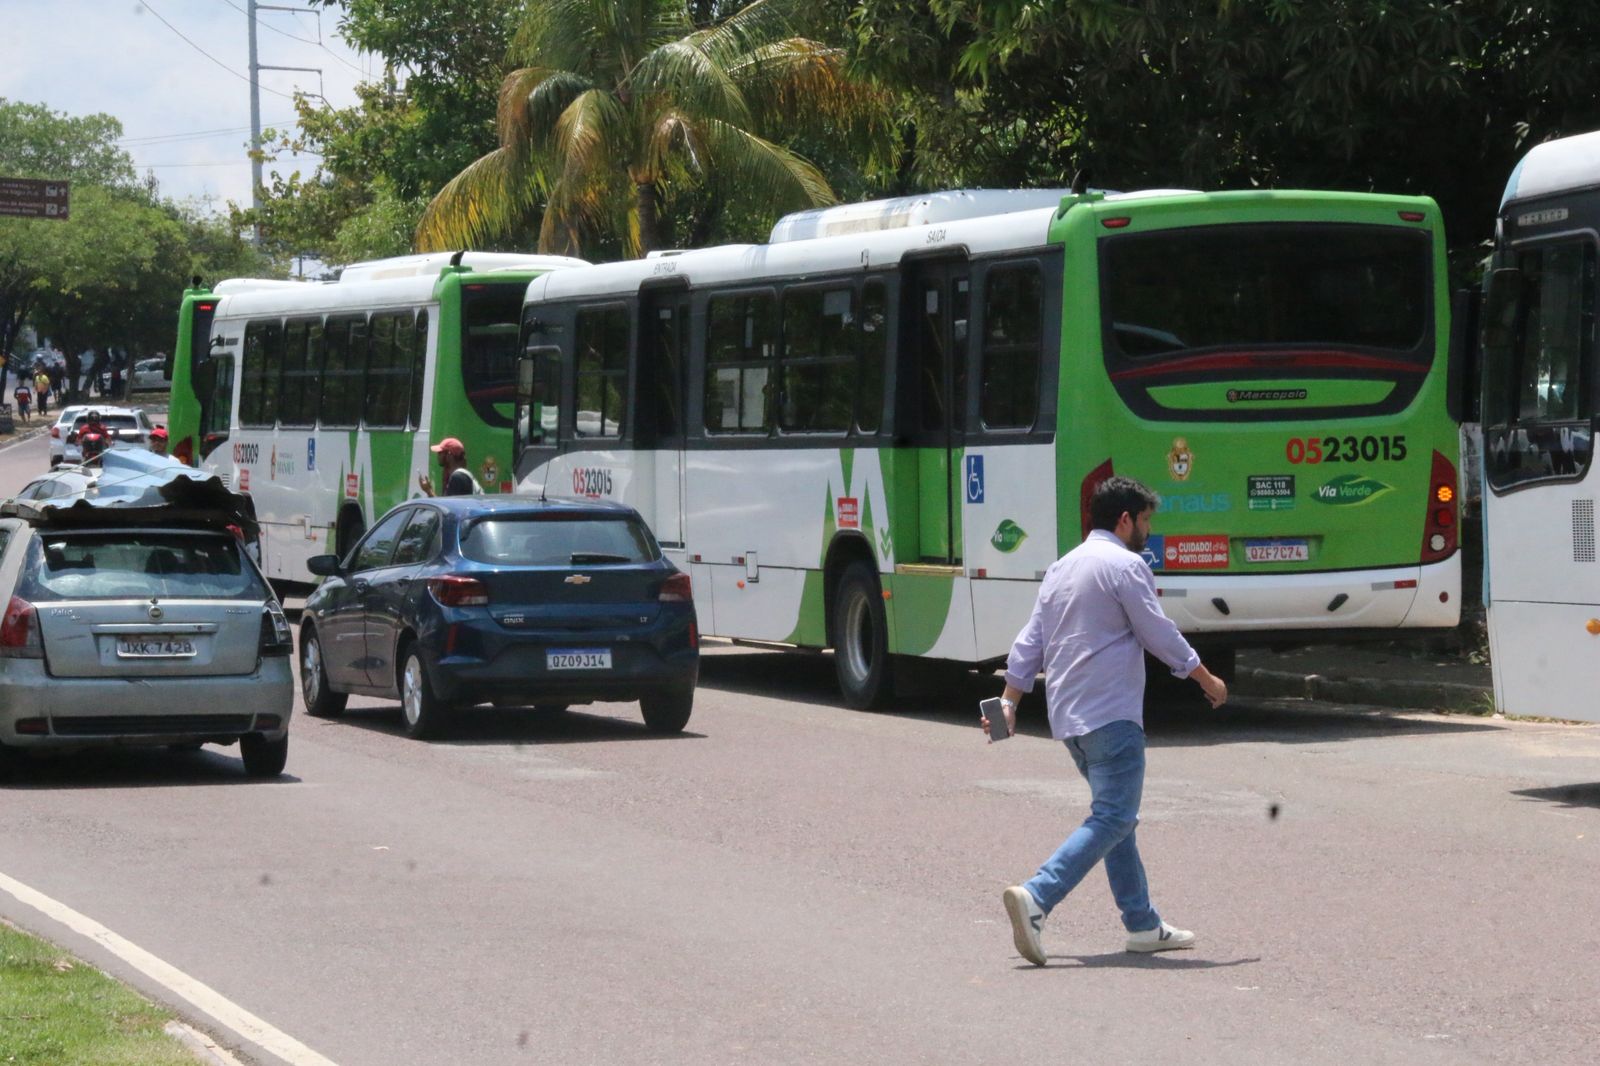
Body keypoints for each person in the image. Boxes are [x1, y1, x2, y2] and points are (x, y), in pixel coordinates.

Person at [989, 475, 1228, 966]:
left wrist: (1009, 699)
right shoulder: (1125, 565)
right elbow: (1157, 631)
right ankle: (1038, 895)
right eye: (1145, 520)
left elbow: (1030, 640)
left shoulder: (1061, 568)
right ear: (1125, 519)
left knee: (1117, 819)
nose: (1147, 531)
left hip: (1070, 719)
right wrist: (1205, 677)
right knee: (1114, 817)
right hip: (1112, 713)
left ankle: (1142, 925)